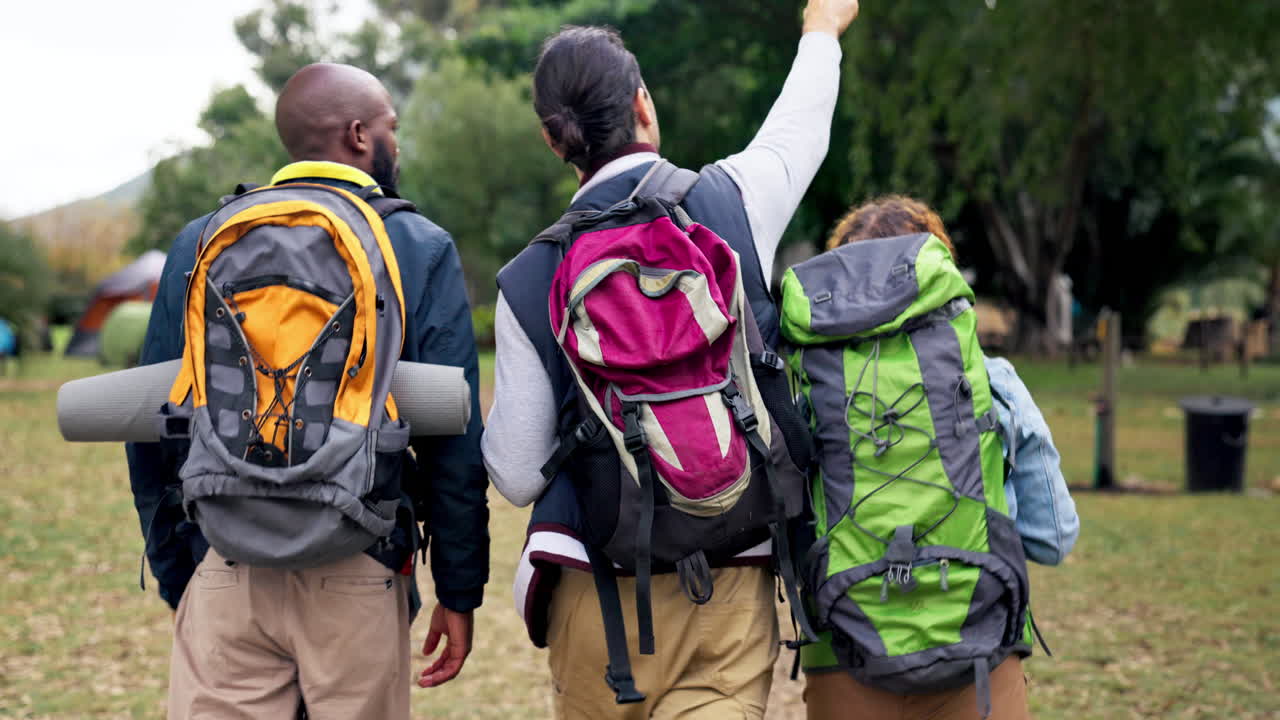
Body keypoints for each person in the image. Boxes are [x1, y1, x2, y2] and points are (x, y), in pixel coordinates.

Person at [482, 2, 859, 717]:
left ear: (551, 140)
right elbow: (800, 125)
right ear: (642, 104)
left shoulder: (530, 276)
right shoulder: (734, 199)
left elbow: (518, 471)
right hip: (732, 572)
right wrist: (820, 32)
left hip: (598, 594)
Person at [125, 63, 489, 719]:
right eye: (391, 128)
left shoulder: (199, 241)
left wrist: (181, 569)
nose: (395, 144)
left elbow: (153, 422)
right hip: (357, 560)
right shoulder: (417, 243)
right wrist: (459, 590)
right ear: (358, 136)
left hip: (225, 557)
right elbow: (455, 445)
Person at [799, 195, 1080, 720]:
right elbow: (1054, 537)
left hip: (842, 652)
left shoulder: (808, 388)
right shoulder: (993, 382)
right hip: (980, 651)